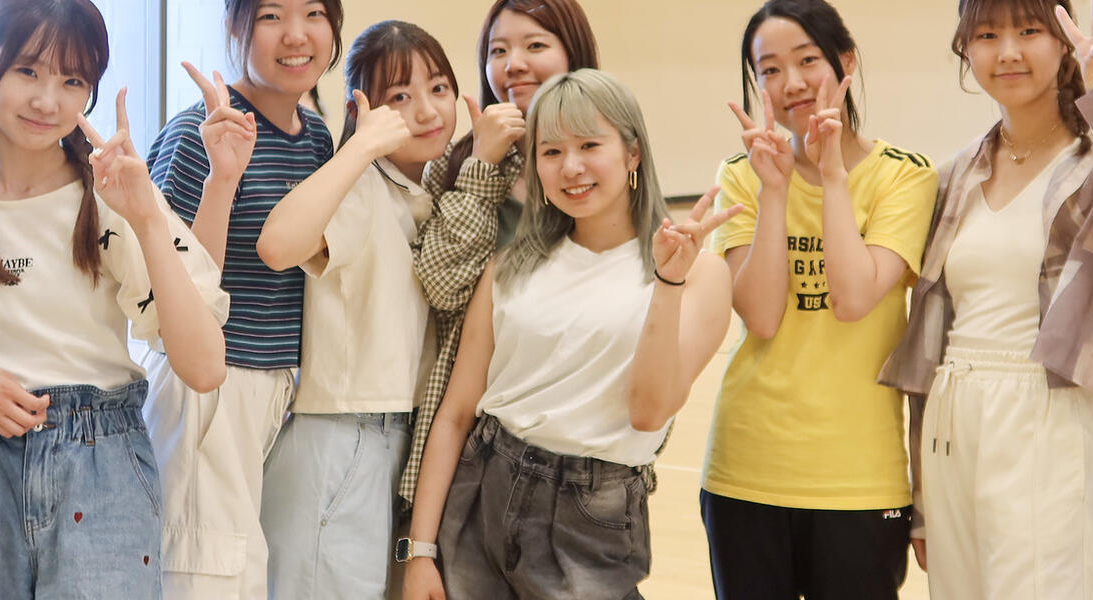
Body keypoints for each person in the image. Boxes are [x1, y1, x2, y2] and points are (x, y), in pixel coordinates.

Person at [877, 1, 1093, 597]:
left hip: (1052, 414)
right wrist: (921, 496)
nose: (1007, 50)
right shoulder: (954, 176)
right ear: (966, 49)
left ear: (1063, 45)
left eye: (1028, 30)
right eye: (987, 34)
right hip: (952, 421)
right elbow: (928, 343)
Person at [0, 1, 231, 597]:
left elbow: (204, 368)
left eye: (73, 81)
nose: (49, 101)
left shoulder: (115, 196)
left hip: (103, 469)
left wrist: (146, 217)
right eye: (29, 72)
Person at [401, 69, 739, 599]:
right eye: (551, 151)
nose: (571, 167)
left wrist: (668, 282)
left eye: (589, 145)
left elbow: (650, 412)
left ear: (632, 154)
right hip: (481, 489)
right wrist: (419, 552)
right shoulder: (511, 265)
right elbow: (455, 415)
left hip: (592, 508)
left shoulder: (699, 272)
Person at [700, 1, 937, 597]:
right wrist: (775, 190)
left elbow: (853, 297)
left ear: (846, 61)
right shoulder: (743, 173)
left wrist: (832, 175)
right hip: (746, 469)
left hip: (860, 477)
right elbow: (761, 313)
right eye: (770, 69)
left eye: (808, 60)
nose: (793, 83)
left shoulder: (905, 176)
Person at [142, 1, 343, 597]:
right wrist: (221, 179)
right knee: (203, 572)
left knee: (243, 569)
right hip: (209, 386)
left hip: (276, 388)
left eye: (313, 12)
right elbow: (162, 287)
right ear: (235, 28)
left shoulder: (315, 138)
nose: (297, 35)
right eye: (271, 16)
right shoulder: (197, 132)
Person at [252, 20, 459, 598]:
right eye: (400, 96)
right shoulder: (360, 186)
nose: (425, 110)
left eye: (438, 87)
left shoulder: (430, 194)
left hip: (397, 444)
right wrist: (363, 144)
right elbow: (277, 245)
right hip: (343, 445)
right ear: (363, 107)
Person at [398, 0, 603, 518]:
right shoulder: (465, 155)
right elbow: (442, 286)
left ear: (572, 53)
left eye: (535, 45)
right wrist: (486, 164)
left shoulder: (609, 155)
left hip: (577, 428)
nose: (513, 64)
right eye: (498, 50)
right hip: (471, 423)